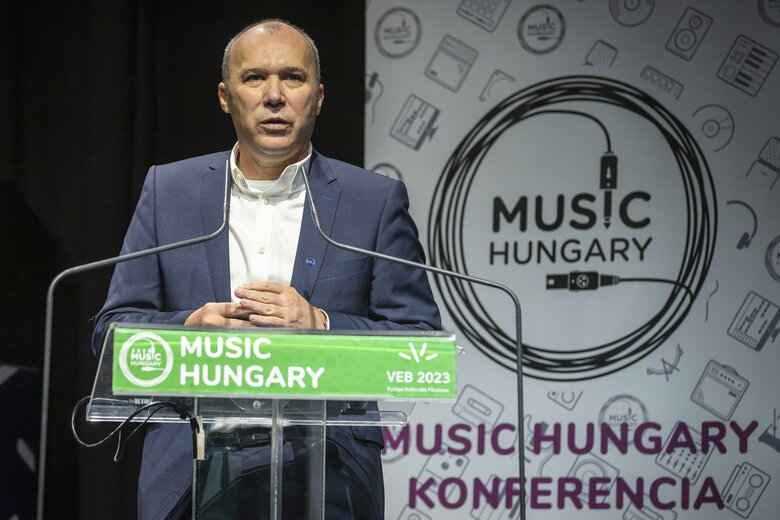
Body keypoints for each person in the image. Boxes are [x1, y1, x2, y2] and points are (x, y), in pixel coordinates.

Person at [91, 19, 440, 520]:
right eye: (254, 78)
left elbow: (420, 344)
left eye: (293, 78)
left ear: (318, 97)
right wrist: (187, 330)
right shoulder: (169, 192)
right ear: (225, 96)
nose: (274, 96)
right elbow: (111, 334)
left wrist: (321, 325)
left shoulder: (374, 201)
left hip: (330, 476)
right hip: (192, 472)